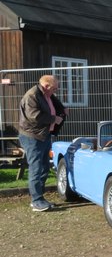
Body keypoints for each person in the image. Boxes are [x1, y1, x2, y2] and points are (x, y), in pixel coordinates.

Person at [18, 74, 68, 212]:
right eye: (54, 88)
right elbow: (35, 116)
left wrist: (62, 110)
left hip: (43, 135)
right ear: (46, 86)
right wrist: (54, 119)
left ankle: (40, 197)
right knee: (36, 167)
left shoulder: (45, 94)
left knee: (45, 166)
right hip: (33, 137)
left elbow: (54, 101)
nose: (55, 91)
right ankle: (36, 200)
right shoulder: (32, 96)